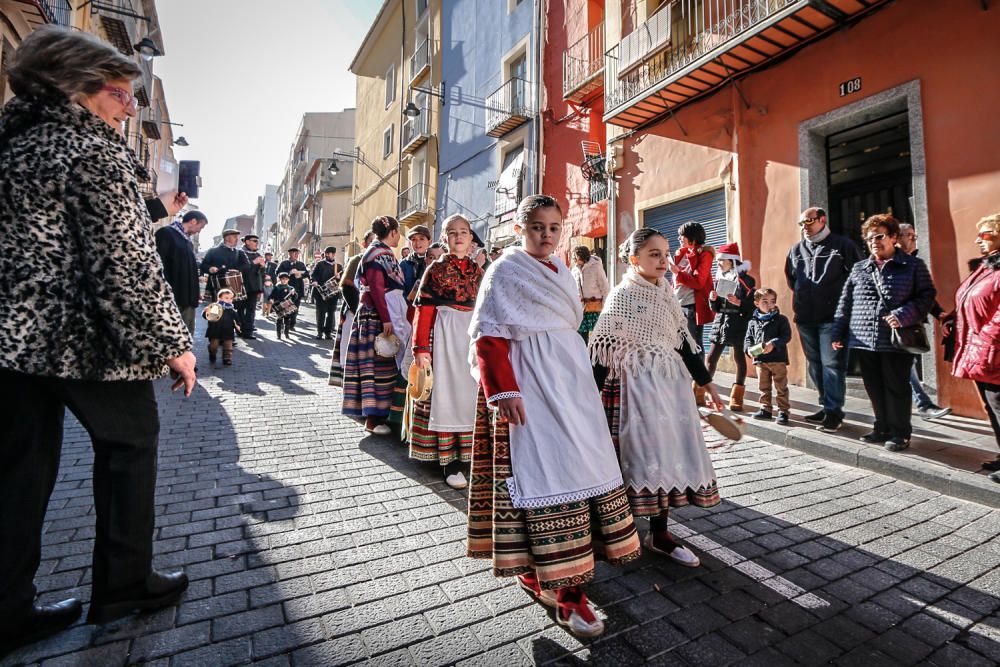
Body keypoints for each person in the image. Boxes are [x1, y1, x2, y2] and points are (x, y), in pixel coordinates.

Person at [0, 26, 195, 652]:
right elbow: (123, 265)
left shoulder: (13, 142)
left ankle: (6, 609)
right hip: (85, 339)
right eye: (119, 93)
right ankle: (126, 584)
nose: (129, 106)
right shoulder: (92, 150)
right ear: (75, 87)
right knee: (130, 448)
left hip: (11, 339)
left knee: (17, 474)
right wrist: (174, 342)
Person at [468, 195, 640, 639]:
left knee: (585, 466)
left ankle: (566, 576)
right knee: (542, 474)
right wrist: (503, 390)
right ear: (521, 228)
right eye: (537, 227)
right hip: (531, 382)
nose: (546, 235)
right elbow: (489, 335)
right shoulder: (505, 270)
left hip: (571, 381)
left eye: (553, 227)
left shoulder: (564, 271)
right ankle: (564, 593)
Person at [590, 228, 724, 569]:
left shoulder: (666, 293)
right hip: (634, 391)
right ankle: (611, 530)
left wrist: (705, 382)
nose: (664, 260)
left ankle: (659, 534)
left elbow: (681, 341)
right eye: (654, 254)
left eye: (666, 254)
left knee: (665, 455)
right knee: (632, 458)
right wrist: (590, 397)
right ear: (634, 259)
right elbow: (603, 350)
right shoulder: (621, 296)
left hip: (669, 389)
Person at [833, 214, 936, 452]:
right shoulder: (860, 268)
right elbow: (845, 302)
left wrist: (903, 315)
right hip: (863, 339)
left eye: (879, 236)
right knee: (874, 386)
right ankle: (881, 427)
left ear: (893, 237)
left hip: (894, 340)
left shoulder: (912, 265)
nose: (874, 242)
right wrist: (838, 332)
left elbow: (927, 296)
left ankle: (900, 432)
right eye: (869, 239)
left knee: (896, 386)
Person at [408, 215, 484, 489]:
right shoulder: (435, 270)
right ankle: (449, 461)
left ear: (471, 238)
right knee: (446, 393)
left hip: (470, 336)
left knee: (469, 393)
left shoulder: (478, 271)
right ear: (445, 239)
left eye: (464, 232)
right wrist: (421, 348)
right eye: (453, 233)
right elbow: (424, 309)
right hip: (443, 334)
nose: (459, 237)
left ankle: (468, 457)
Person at [785, 207, 863, 432]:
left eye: (809, 221)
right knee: (816, 365)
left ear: (822, 220)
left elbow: (856, 278)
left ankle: (834, 412)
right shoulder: (796, 250)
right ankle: (825, 406)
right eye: (801, 224)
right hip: (805, 317)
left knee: (831, 365)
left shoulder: (842, 246)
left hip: (832, 318)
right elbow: (792, 280)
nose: (805, 227)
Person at [342, 217, 412, 435]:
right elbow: (377, 289)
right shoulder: (376, 255)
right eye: (398, 232)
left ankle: (380, 415)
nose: (399, 236)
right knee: (376, 366)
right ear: (391, 232)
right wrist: (387, 319)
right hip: (376, 316)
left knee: (384, 366)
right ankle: (372, 419)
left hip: (382, 313)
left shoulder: (382, 253)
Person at [948, 214, 1000, 483]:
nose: (979, 239)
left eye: (987, 234)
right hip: (980, 348)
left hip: (992, 349)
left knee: (999, 404)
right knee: (992, 406)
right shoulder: (987, 266)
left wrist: (989, 338)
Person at [897, 224, 951, 420]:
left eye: (914, 234)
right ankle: (923, 405)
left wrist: (940, 314)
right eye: (909, 235)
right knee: (906, 364)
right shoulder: (893, 262)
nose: (913, 238)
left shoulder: (913, 261)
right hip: (897, 323)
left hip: (912, 322)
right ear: (897, 237)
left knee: (905, 365)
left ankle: (918, 405)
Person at [706, 242, 756, 411]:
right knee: (711, 358)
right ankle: (702, 392)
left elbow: (752, 307)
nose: (719, 264)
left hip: (739, 324)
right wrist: (712, 300)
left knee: (739, 360)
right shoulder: (719, 278)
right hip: (720, 322)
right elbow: (716, 308)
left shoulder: (747, 281)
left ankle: (737, 397)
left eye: (722, 260)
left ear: (732, 261)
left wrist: (739, 303)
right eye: (718, 261)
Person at [330, 232, 375, 387]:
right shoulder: (357, 260)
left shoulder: (383, 261)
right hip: (354, 311)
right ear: (364, 244)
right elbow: (346, 287)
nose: (374, 244)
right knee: (349, 345)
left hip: (374, 314)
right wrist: (357, 310)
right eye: (371, 241)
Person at [744, 288, 793, 424]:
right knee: (763, 386)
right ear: (756, 303)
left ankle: (783, 411)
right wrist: (748, 350)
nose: (769, 304)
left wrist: (773, 343)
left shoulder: (781, 319)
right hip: (760, 360)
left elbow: (786, 336)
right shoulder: (752, 322)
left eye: (772, 301)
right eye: (764, 301)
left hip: (778, 359)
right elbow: (748, 339)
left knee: (781, 386)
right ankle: (765, 408)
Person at [155, 210, 207, 335]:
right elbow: (158, 265)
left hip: (187, 299)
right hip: (173, 298)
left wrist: (195, 292)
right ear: (193, 221)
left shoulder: (187, 241)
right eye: (201, 226)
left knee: (187, 335)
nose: (199, 231)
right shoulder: (166, 233)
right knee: (173, 336)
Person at [570, 245, 610, 343]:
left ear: (582, 256)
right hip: (581, 308)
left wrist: (606, 307)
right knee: (581, 333)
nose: (574, 259)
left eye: (576, 256)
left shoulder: (596, 267)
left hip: (595, 308)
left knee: (598, 335)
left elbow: (604, 288)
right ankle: (584, 355)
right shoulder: (574, 270)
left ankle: (597, 356)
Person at [200, 228, 249, 302]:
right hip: (217, 289)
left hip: (236, 289)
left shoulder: (239, 253)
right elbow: (203, 266)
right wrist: (210, 268)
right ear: (227, 238)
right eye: (235, 237)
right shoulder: (213, 251)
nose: (237, 239)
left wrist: (238, 270)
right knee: (218, 312)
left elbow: (247, 266)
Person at [238, 234, 266, 340]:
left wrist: (263, 267)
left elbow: (261, 274)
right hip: (242, 286)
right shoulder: (240, 253)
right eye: (254, 241)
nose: (256, 243)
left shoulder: (257, 254)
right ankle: (240, 329)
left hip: (254, 287)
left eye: (257, 241)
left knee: (251, 310)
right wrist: (254, 262)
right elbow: (240, 269)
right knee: (240, 309)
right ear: (247, 242)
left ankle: (248, 331)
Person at [311, 246, 342, 340]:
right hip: (320, 293)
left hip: (333, 294)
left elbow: (342, 280)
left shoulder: (338, 266)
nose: (328, 255)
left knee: (331, 314)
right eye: (327, 253)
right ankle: (320, 332)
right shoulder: (320, 264)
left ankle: (328, 333)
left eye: (330, 253)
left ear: (334, 254)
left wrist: (338, 278)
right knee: (321, 313)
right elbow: (314, 275)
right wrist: (315, 281)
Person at [203, 288, 240, 365]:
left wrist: (238, 325)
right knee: (214, 346)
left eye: (231, 298)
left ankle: (227, 358)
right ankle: (212, 353)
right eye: (226, 298)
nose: (229, 300)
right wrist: (206, 311)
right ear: (219, 298)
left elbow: (236, 319)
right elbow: (207, 316)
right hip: (215, 330)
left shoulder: (231, 309)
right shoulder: (214, 307)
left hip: (228, 331)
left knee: (228, 346)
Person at [276, 248, 308, 331]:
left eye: (297, 253)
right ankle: (284, 323)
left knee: (295, 308)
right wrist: (289, 273)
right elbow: (277, 272)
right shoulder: (284, 263)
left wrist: (300, 275)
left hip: (298, 289)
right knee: (285, 307)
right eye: (294, 253)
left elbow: (307, 274)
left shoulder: (301, 264)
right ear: (290, 254)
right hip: (286, 289)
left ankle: (292, 324)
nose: (296, 255)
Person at [401, 224, 432, 305]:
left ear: (429, 242)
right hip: (408, 309)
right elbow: (399, 290)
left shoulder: (434, 263)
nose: (417, 243)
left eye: (422, 239)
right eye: (413, 239)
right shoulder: (404, 264)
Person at [270, 273, 297, 340]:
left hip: (287, 306)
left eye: (286, 279)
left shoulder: (290, 288)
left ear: (288, 280)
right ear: (280, 279)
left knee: (287, 320)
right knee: (279, 320)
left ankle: (286, 333)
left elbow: (295, 298)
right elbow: (271, 296)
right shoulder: (277, 287)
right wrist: (271, 300)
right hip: (279, 305)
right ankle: (278, 335)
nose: (284, 280)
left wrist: (294, 294)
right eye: (283, 279)